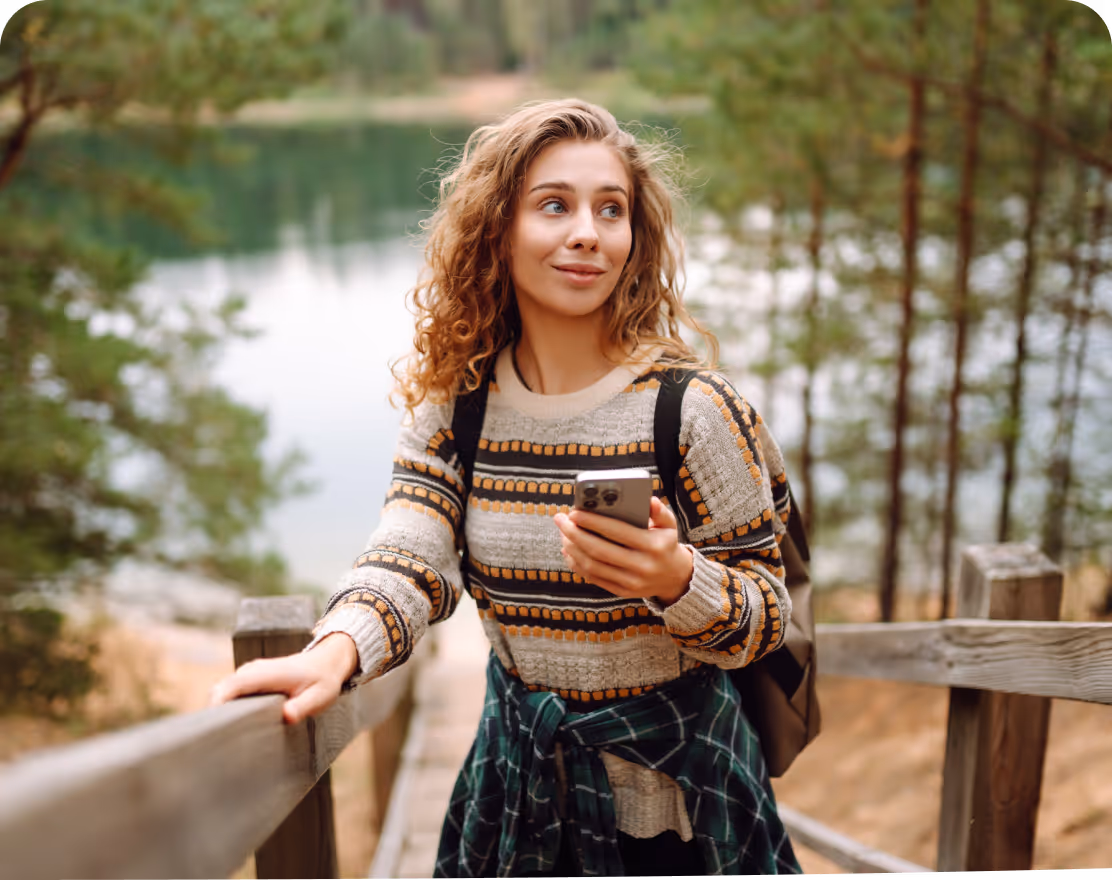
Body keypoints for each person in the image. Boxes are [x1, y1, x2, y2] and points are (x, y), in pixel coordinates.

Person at [211, 99, 802, 877]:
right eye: (554, 205)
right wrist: (337, 649)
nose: (587, 232)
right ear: (498, 229)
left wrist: (676, 579)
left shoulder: (693, 410)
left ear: (636, 236)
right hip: (517, 794)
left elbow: (766, 615)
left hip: (683, 812)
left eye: (611, 210)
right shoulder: (457, 406)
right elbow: (409, 553)